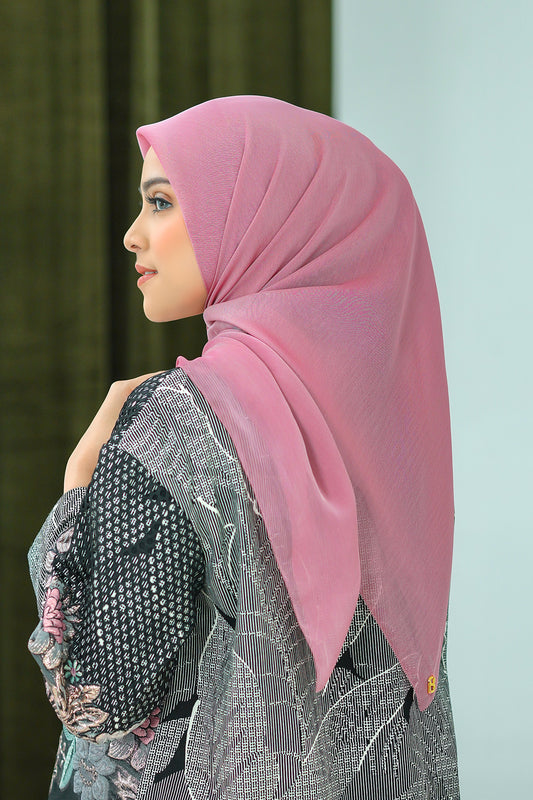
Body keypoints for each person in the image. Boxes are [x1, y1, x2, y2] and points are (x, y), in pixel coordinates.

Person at [28, 95, 459, 799]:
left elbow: (99, 698)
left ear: (260, 220)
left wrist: (79, 489)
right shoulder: (392, 436)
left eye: (160, 202)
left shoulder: (175, 421)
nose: (133, 236)